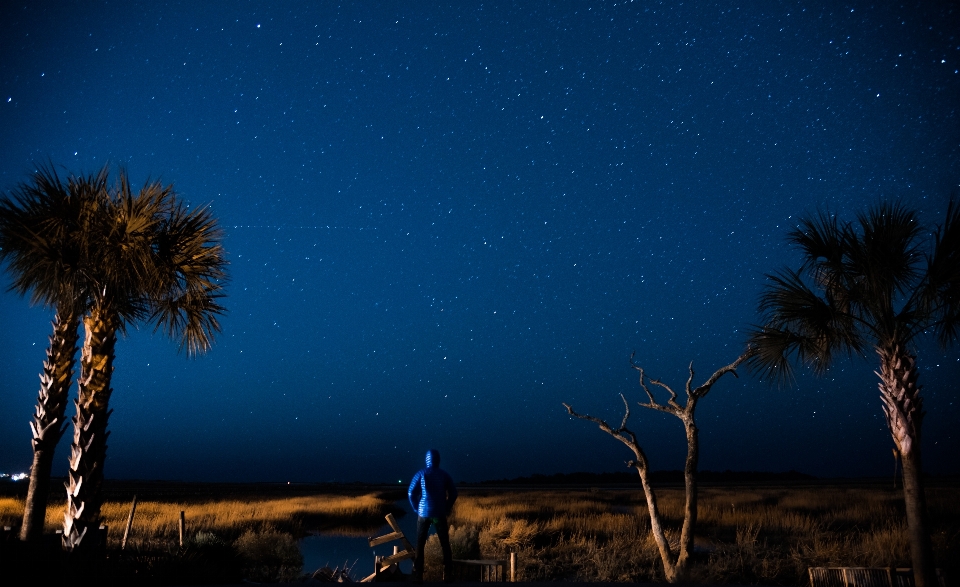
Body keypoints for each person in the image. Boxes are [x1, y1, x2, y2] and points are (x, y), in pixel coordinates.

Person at [408, 449, 458, 583]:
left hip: (423, 513)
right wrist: (446, 507)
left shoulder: (421, 473)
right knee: (445, 544)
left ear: (427, 459)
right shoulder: (444, 475)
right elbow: (453, 493)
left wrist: (416, 508)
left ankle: (418, 575)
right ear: (438, 459)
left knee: (420, 544)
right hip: (439, 512)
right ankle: (448, 574)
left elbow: (411, 493)